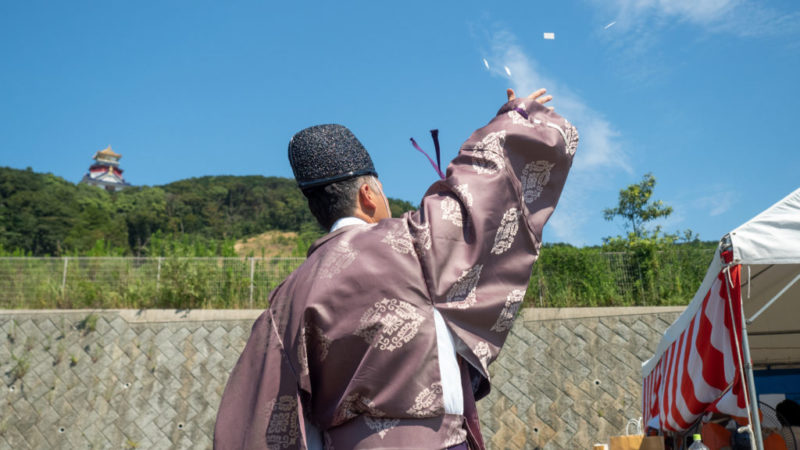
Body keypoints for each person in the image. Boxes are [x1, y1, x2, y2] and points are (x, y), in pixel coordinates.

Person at [214, 88, 578, 449]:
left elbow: (259, 418)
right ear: (368, 195)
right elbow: (486, 185)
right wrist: (518, 116)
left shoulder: (286, 300)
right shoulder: (412, 244)